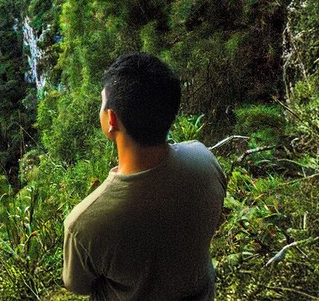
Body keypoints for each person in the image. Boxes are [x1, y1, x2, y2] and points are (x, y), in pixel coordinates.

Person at [63, 53, 227, 300]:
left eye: (103, 102)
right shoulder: (204, 161)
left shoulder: (86, 224)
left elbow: (78, 285)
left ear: (111, 119)